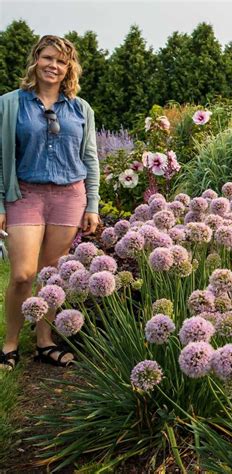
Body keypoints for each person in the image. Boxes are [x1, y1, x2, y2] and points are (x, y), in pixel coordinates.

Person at [0, 35, 100, 370]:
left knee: (51, 275)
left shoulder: (80, 108)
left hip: (69, 197)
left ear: (69, 67)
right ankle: (10, 342)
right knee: (22, 274)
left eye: (60, 61)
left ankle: (44, 341)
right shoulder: (11, 104)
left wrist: (93, 205)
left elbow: (90, 158)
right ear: (35, 60)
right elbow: (1, 158)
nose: (53, 66)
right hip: (26, 195)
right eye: (47, 58)